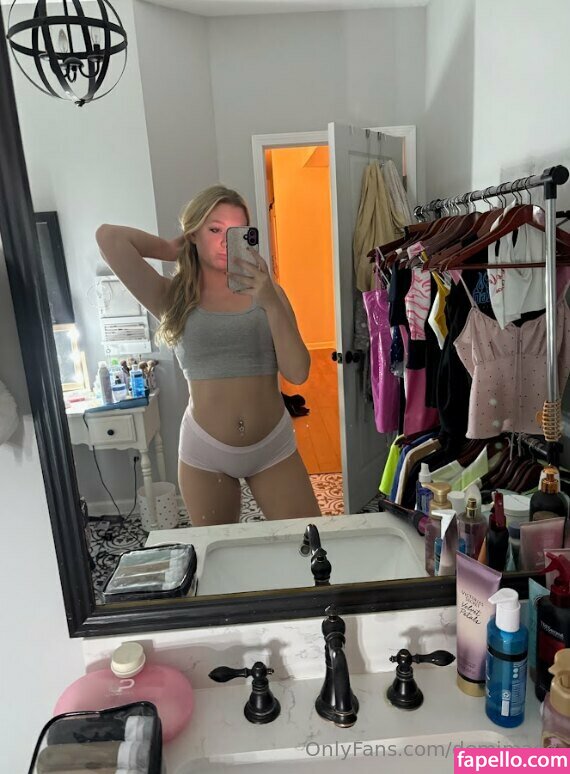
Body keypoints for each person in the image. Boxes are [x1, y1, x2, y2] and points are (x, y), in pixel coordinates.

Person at [96, 185, 321, 526]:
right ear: (193, 234)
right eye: (215, 229)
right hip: (205, 453)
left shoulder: (270, 293)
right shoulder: (172, 297)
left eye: (235, 231)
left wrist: (271, 302)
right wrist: (170, 248)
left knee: (311, 543)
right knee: (218, 551)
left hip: (272, 447)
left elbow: (298, 372)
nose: (225, 241)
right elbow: (108, 238)